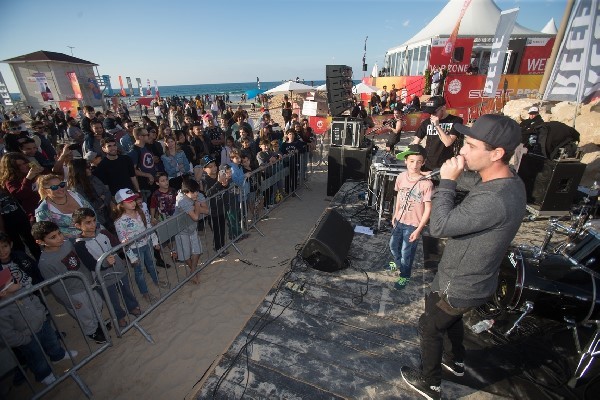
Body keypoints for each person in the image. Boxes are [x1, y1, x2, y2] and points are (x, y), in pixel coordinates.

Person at [401, 114, 527, 400]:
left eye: (470, 145)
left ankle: (430, 384)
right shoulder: (511, 181)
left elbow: (440, 226)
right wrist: (451, 174)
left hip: (459, 283)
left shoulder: (493, 199)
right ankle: (456, 361)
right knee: (450, 321)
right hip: (475, 279)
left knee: (429, 327)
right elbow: (476, 182)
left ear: (496, 153)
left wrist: (446, 183)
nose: (462, 150)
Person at [31, 221, 107, 344]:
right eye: (53, 237)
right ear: (40, 242)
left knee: (97, 304)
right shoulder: (45, 263)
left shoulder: (67, 244)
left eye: (59, 233)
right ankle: (92, 331)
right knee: (84, 314)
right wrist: (69, 301)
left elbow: (80, 260)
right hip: (74, 292)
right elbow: (55, 286)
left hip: (87, 282)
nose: (59, 238)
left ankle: (99, 324)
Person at [0, 266, 77, 386]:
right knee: (36, 357)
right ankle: (44, 374)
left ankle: (58, 356)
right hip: (27, 337)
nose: (17, 278)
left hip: (42, 324)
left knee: (53, 342)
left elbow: (35, 300)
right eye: (13, 281)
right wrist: (24, 339)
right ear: (3, 292)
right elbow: (7, 333)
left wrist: (42, 315)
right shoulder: (3, 311)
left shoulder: (23, 292)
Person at [73, 208, 140, 328]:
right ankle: (119, 317)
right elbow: (90, 264)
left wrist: (123, 244)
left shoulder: (103, 232)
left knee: (126, 290)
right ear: (78, 225)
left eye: (94, 220)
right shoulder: (80, 245)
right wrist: (105, 264)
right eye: (88, 222)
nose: (93, 224)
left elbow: (116, 245)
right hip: (103, 278)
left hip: (119, 270)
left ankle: (132, 307)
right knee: (112, 300)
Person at [387, 145, 433, 290]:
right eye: (412, 161)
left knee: (406, 252)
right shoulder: (400, 177)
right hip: (400, 220)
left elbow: (428, 209)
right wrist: (395, 213)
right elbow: (399, 197)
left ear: (423, 163)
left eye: (419, 161)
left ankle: (404, 275)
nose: (415, 165)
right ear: (406, 161)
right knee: (393, 246)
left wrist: (419, 229)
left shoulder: (427, 183)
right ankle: (397, 262)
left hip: (413, 224)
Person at [113, 188, 167, 303]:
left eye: (133, 199)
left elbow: (148, 227)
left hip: (147, 244)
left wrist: (155, 241)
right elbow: (123, 242)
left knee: (152, 264)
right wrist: (132, 257)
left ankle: (156, 280)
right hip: (134, 249)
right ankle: (145, 292)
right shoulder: (119, 222)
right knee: (139, 272)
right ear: (121, 204)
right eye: (129, 201)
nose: (133, 203)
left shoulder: (141, 212)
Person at [410, 96, 463, 172]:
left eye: (434, 112)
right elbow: (415, 142)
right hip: (427, 164)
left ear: (443, 108)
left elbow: (448, 142)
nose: (432, 115)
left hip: (445, 165)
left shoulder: (455, 120)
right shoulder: (426, 122)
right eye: (430, 112)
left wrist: (437, 126)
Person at [34, 174, 94, 240]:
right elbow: (47, 234)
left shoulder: (75, 194)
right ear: (45, 190)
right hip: (73, 245)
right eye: (54, 187)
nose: (60, 189)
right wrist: (83, 233)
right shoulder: (43, 211)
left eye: (62, 185)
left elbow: (92, 211)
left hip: (97, 233)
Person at [174, 178, 208, 284]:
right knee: (185, 255)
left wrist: (194, 207)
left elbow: (207, 210)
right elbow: (196, 217)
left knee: (197, 250)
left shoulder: (196, 194)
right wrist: (197, 206)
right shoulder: (182, 200)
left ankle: (193, 271)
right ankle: (194, 271)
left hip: (192, 228)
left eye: (197, 191)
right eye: (193, 192)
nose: (196, 194)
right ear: (185, 192)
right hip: (181, 231)